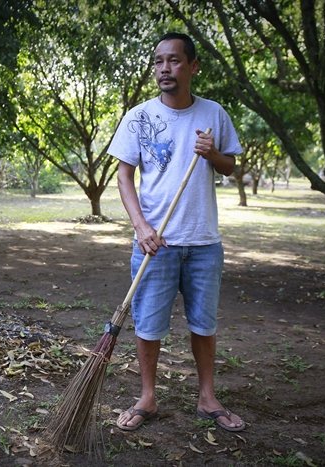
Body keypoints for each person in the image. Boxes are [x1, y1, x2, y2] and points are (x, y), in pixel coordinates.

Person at [107, 32, 245, 432]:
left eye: (174, 60)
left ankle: (207, 398)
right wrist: (141, 226)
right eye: (158, 61)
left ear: (193, 66)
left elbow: (230, 166)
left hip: (203, 242)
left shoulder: (213, 114)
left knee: (204, 325)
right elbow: (124, 175)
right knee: (148, 325)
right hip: (156, 242)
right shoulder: (139, 116)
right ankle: (147, 398)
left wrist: (212, 153)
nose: (164, 68)